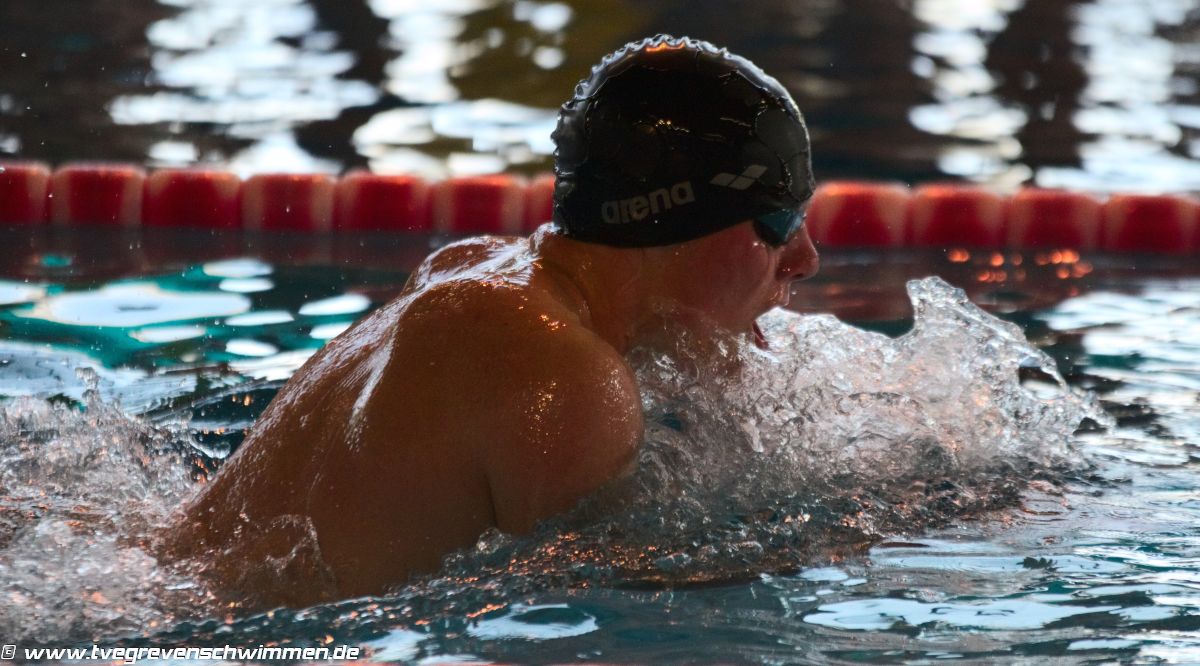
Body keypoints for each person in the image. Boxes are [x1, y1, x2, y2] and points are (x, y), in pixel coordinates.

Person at [158, 34, 820, 610]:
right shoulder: (567, 380)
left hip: (162, 582)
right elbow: (623, 611)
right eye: (779, 223)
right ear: (676, 222)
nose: (805, 259)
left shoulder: (474, 269)